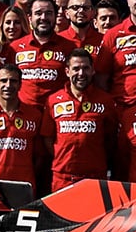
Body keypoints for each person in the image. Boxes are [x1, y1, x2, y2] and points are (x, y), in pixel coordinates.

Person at [44, 47, 117, 191]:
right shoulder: (53, 101)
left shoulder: (106, 101)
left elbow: (111, 139)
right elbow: (48, 139)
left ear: (93, 70)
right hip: (63, 178)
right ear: (67, 71)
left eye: (86, 68)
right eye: (76, 69)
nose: (81, 73)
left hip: (95, 178)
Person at [0, 62, 44, 189]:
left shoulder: (34, 115)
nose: (8, 85)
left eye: (13, 81)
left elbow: (39, 157)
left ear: (20, 85)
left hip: (23, 186)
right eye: (3, 81)